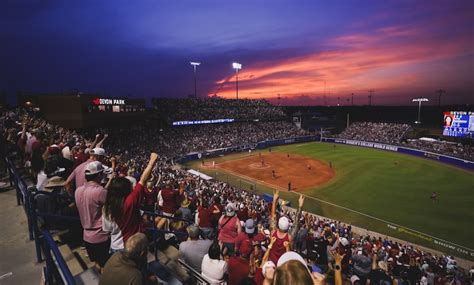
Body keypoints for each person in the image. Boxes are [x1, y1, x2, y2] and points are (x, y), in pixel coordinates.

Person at [102, 152, 158, 250]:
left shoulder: (106, 207)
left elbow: (107, 229)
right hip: (132, 246)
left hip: (115, 247)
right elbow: (142, 180)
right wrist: (151, 162)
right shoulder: (130, 201)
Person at [75, 161, 110, 269]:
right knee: (106, 265)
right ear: (99, 175)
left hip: (86, 236)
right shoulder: (100, 192)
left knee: (97, 264)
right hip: (101, 235)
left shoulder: (78, 190)